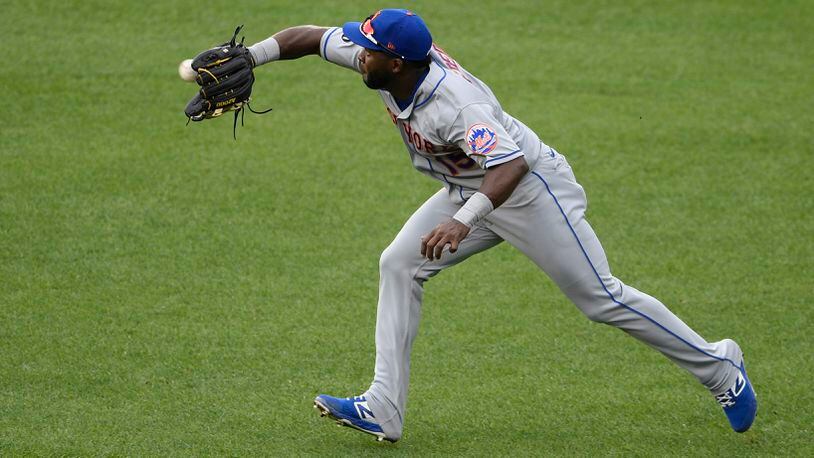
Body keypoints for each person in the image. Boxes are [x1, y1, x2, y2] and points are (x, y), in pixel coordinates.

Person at [246, 9, 757, 442]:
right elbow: (310, 38)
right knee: (399, 263)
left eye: (369, 50)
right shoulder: (384, 61)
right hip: (471, 186)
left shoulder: (457, 104)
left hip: (530, 189)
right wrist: (252, 57)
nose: (359, 53)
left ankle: (720, 367)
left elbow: (509, 166)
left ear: (396, 62)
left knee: (600, 298)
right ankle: (383, 406)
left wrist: (462, 222)